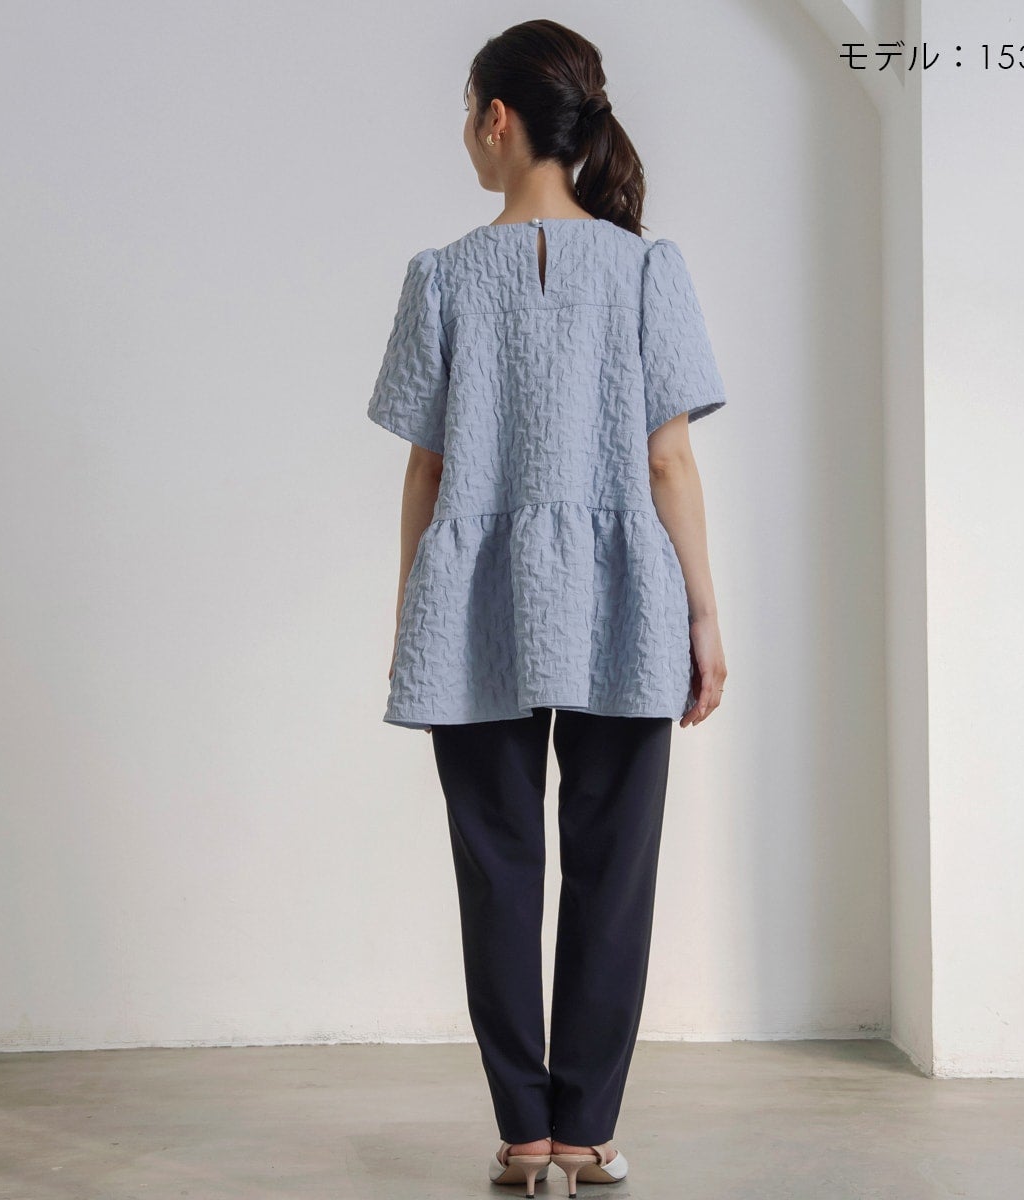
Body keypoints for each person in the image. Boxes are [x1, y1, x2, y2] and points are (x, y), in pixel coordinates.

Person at [366, 19, 728, 1198]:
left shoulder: (440, 275)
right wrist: (704, 617)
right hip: (628, 597)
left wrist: (414, 612)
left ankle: (525, 1139)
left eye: (466, 113)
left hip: (473, 602)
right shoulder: (647, 270)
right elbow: (668, 460)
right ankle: (587, 1135)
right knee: (615, 873)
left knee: (498, 868)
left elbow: (425, 470)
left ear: (496, 118)